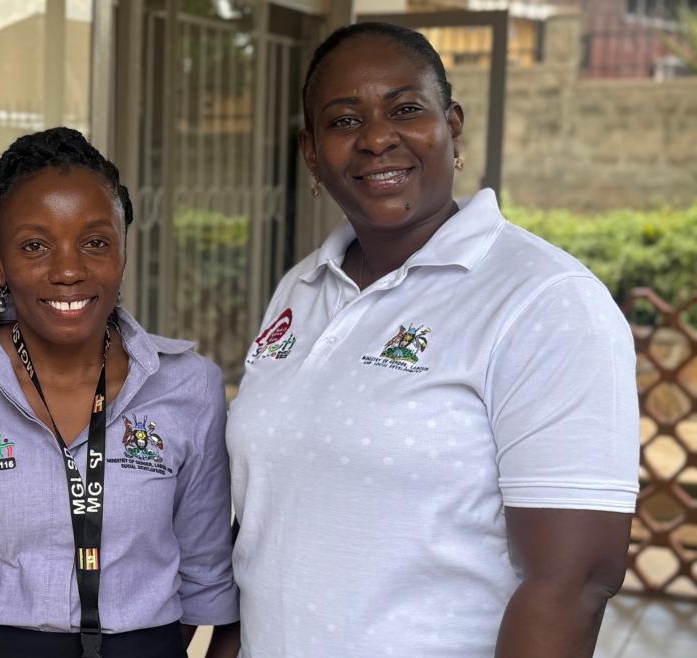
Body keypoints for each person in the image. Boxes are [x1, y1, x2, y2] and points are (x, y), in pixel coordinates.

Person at [226, 22, 639, 657]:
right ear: (311, 154)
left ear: (452, 127)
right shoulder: (302, 288)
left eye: (405, 110)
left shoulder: (544, 300)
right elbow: (262, 532)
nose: (377, 139)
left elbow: (575, 582)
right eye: (343, 121)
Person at [0, 127, 239, 658]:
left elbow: (204, 579)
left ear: (123, 252)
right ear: (0, 260)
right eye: (35, 246)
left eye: (95, 242)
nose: (67, 270)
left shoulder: (188, 387)